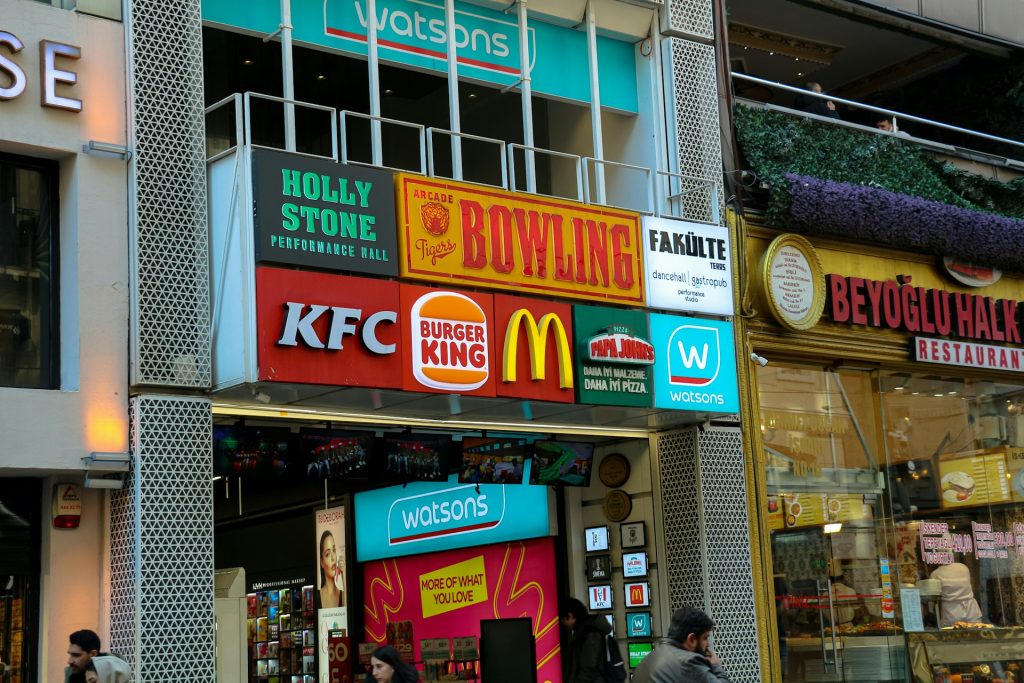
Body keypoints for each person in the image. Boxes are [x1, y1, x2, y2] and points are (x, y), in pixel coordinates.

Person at [632, 607, 731, 683]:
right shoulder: (688, 662)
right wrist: (716, 666)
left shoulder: (646, 660)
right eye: (705, 638)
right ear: (691, 639)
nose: (708, 644)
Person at [560, 597, 611, 683]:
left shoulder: (589, 634)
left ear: (570, 615)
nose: (563, 623)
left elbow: (588, 669)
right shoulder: (582, 633)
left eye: (563, 619)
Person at [65, 630, 130, 683]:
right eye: (70, 654)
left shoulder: (114, 671)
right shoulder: (71, 674)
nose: (69, 661)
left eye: (76, 655)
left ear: (93, 654)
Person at [930, 562, 983, 627]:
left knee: (952, 635)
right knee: (977, 635)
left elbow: (933, 595)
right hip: (971, 610)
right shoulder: (964, 567)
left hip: (950, 614)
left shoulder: (935, 574)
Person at [318, 529, 343, 608]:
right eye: (328, 554)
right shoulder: (317, 595)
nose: (333, 558)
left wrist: (344, 575)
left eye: (334, 550)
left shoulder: (343, 594)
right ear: (321, 562)